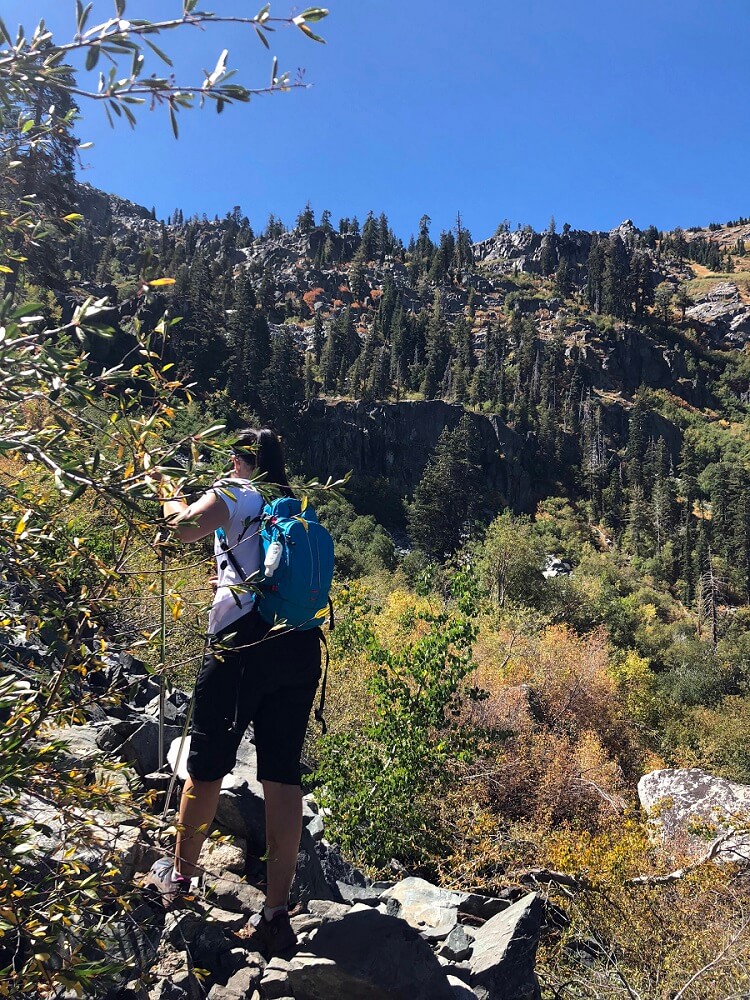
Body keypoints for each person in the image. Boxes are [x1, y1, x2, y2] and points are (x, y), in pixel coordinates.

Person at [143, 427, 322, 956]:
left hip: (241, 648)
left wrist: (163, 486)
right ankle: (275, 914)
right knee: (282, 777)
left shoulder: (233, 492)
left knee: (209, 763)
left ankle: (179, 879)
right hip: (299, 644)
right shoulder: (293, 506)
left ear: (240, 460)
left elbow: (177, 530)